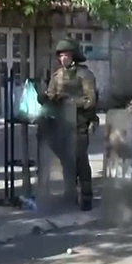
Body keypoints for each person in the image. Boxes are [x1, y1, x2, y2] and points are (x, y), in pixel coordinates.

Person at [46, 39, 98, 210]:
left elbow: (90, 101)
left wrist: (70, 101)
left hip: (81, 122)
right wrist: (47, 98)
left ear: (73, 55)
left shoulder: (85, 74)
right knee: (67, 161)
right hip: (62, 123)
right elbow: (50, 94)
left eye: (66, 55)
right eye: (60, 55)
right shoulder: (57, 76)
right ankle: (70, 194)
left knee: (80, 159)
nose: (63, 58)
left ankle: (87, 196)